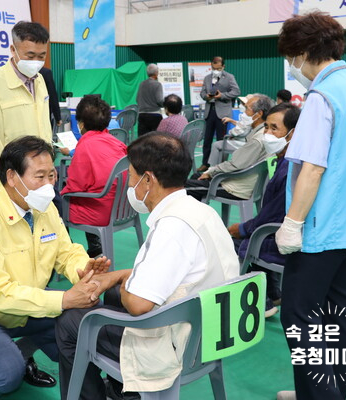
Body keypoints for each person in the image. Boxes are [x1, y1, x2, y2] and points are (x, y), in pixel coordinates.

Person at [56, 132, 239, 400]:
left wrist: (125, 283)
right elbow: (179, 275)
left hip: (181, 342)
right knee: (115, 292)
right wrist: (117, 278)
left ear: (148, 179)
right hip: (214, 328)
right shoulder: (200, 211)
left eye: (131, 177)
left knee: (71, 321)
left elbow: (139, 304)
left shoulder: (171, 228)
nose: (130, 185)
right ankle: (125, 392)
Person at [275, 12, 346, 400]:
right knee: (335, 313)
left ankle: (318, 395)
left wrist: (292, 223)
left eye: (293, 58)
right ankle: (329, 390)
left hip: (325, 228)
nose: (294, 67)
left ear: (305, 52)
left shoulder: (322, 97)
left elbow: (312, 168)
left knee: (300, 315)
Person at [0, 136, 111, 400]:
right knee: (6, 376)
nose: (48, 185)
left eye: (52, 176)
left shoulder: (42, 207)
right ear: (12, 177)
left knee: (79, 338)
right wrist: (65, 298)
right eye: (40, 177)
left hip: (27, 307)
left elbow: (65, 252)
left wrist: (83, 268)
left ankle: (21, 353)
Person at [228, 103, 301, 318]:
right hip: (278, 231)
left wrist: (241, 228)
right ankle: (274, 291)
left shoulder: (289, 169)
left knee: (233, 241)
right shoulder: (285, 160)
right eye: (266, 127)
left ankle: (262, 301)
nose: (267, 134)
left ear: (292, 133)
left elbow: (271, 218)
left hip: (282, 239)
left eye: (274, 128)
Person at [0, 21, 52, 184]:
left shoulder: (40, 80)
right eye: (30, 56)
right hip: (14, 177)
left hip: (42, 173)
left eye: (42, 56)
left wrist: (49, 169)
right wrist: (1, 181)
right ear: (13, 50)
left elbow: (45, 127)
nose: (36, 62)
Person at [60, 95, 127, 258]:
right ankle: (95, 246)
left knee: (57, 198)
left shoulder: (85, 146)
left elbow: (75, 186)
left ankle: (65, 253)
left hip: (100, 212)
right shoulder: (117, 143)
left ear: (81, 124)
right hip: (122, 208)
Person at [186, 94, 274, 201]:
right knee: (196, 176)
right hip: (242, 183)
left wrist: (211, 172)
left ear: (259, 114)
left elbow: (235, 165)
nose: (243, 113)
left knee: (183, 185)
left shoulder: (257, 139)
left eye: (247, 109)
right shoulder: (262, 133)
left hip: (234, 188)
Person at [197, 56, 241, 172]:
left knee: (221, 141)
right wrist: (206, 96)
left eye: (218, 68)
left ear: (223, 66)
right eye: (213, 67)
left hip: (222, 113)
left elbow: (236, 91)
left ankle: (219, 166)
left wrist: (222, 96)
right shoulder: (207, 78)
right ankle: (205, 163)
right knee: (207, 140)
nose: (215, 70)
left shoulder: (229, 77)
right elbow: (202, 92)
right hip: (209, 112)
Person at [210, 94, 254, 165]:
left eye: (243, 104)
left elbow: (239, 132)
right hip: (245, 141)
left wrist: (230, 133)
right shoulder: (252, 116)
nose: (241, 105)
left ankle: (213, 168)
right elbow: (242, 126)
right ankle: (221, 165)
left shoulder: (248, 118)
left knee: (216, 145)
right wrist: (231, 120)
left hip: (241, 143)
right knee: (225, 142)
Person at [136, 63, 164, 136]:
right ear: (156, 73)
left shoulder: (141, 84)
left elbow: (137, 99)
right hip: (155, 116)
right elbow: (160, 100)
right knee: (156, 140)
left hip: (142, 115)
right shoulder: (157, 84)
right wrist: (166, 104)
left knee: (142, 141)